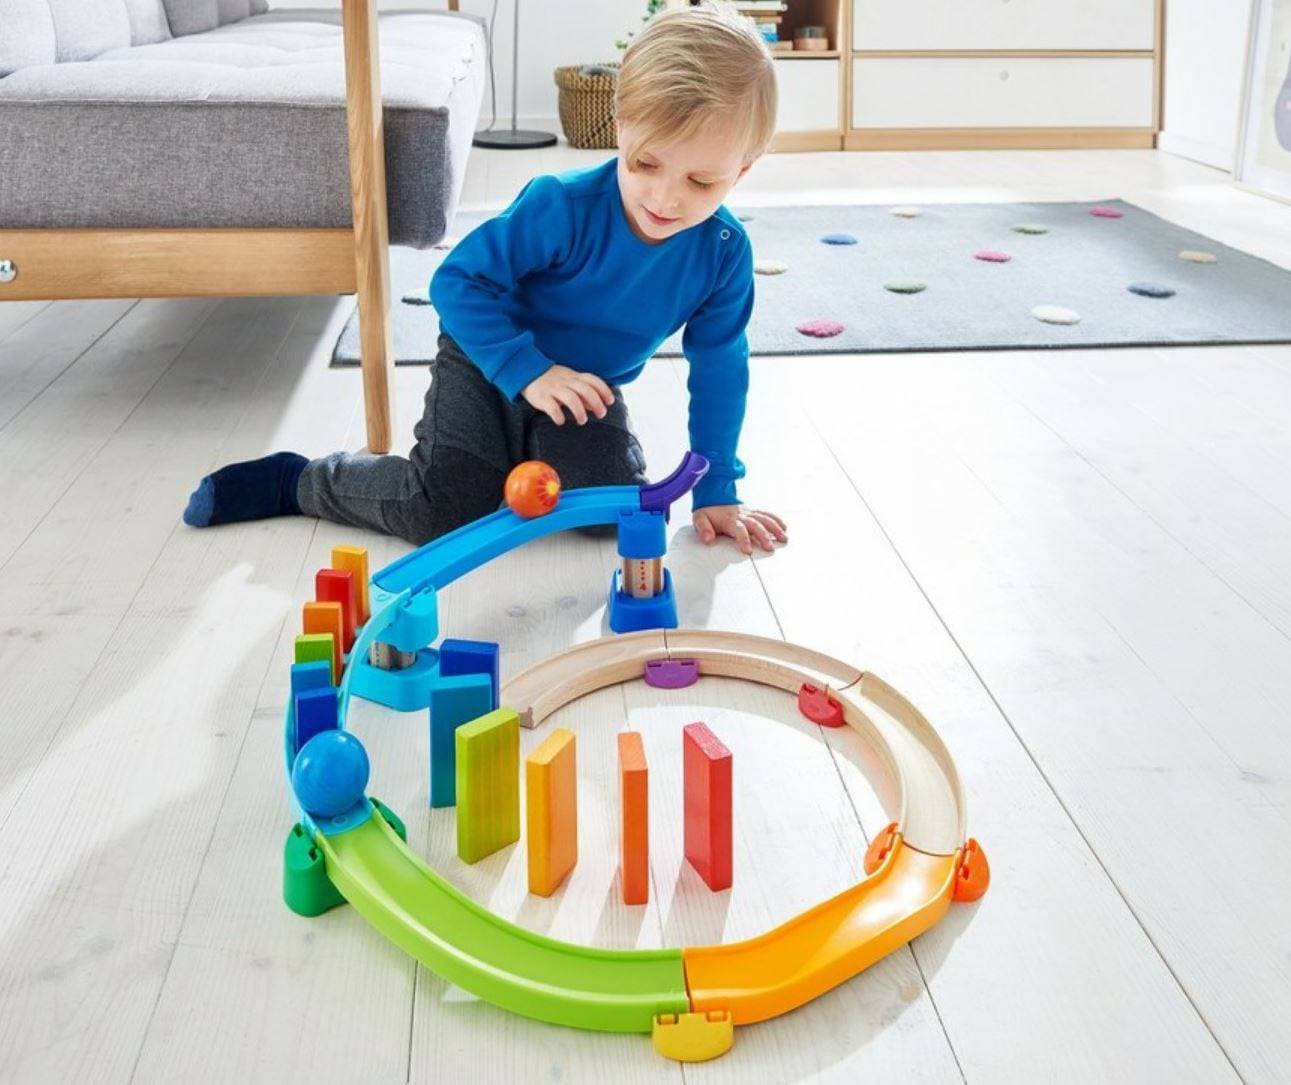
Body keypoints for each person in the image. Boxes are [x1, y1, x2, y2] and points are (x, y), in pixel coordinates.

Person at [183, 3, 787, 556]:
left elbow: (720, 369)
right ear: (620, 124)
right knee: (444, 510)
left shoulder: (723, 254)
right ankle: (298, 480)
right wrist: (528, 372)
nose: (665, 198)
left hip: (580, 386)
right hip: (484, 358)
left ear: (743, 169)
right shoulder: (562, 205)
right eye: (646, 163)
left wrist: (717, 489)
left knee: (609, 513)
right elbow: (456, 283)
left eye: (701, 182)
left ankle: (517, 450)